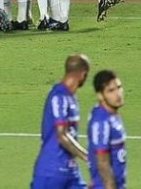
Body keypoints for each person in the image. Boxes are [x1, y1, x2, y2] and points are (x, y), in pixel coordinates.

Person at [31, 53, 90, 189]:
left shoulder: (71, 97)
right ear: (82, 74)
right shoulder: (59, 96)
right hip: (51, 171)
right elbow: (62, 135)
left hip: (70, 170)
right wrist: (88, 158)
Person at [87, 70, 127, 189]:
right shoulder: (102, 120)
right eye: (111, 91)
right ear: (100, 95)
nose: (118, 94)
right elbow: (102, 162)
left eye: (119, 88)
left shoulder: (111, 114)